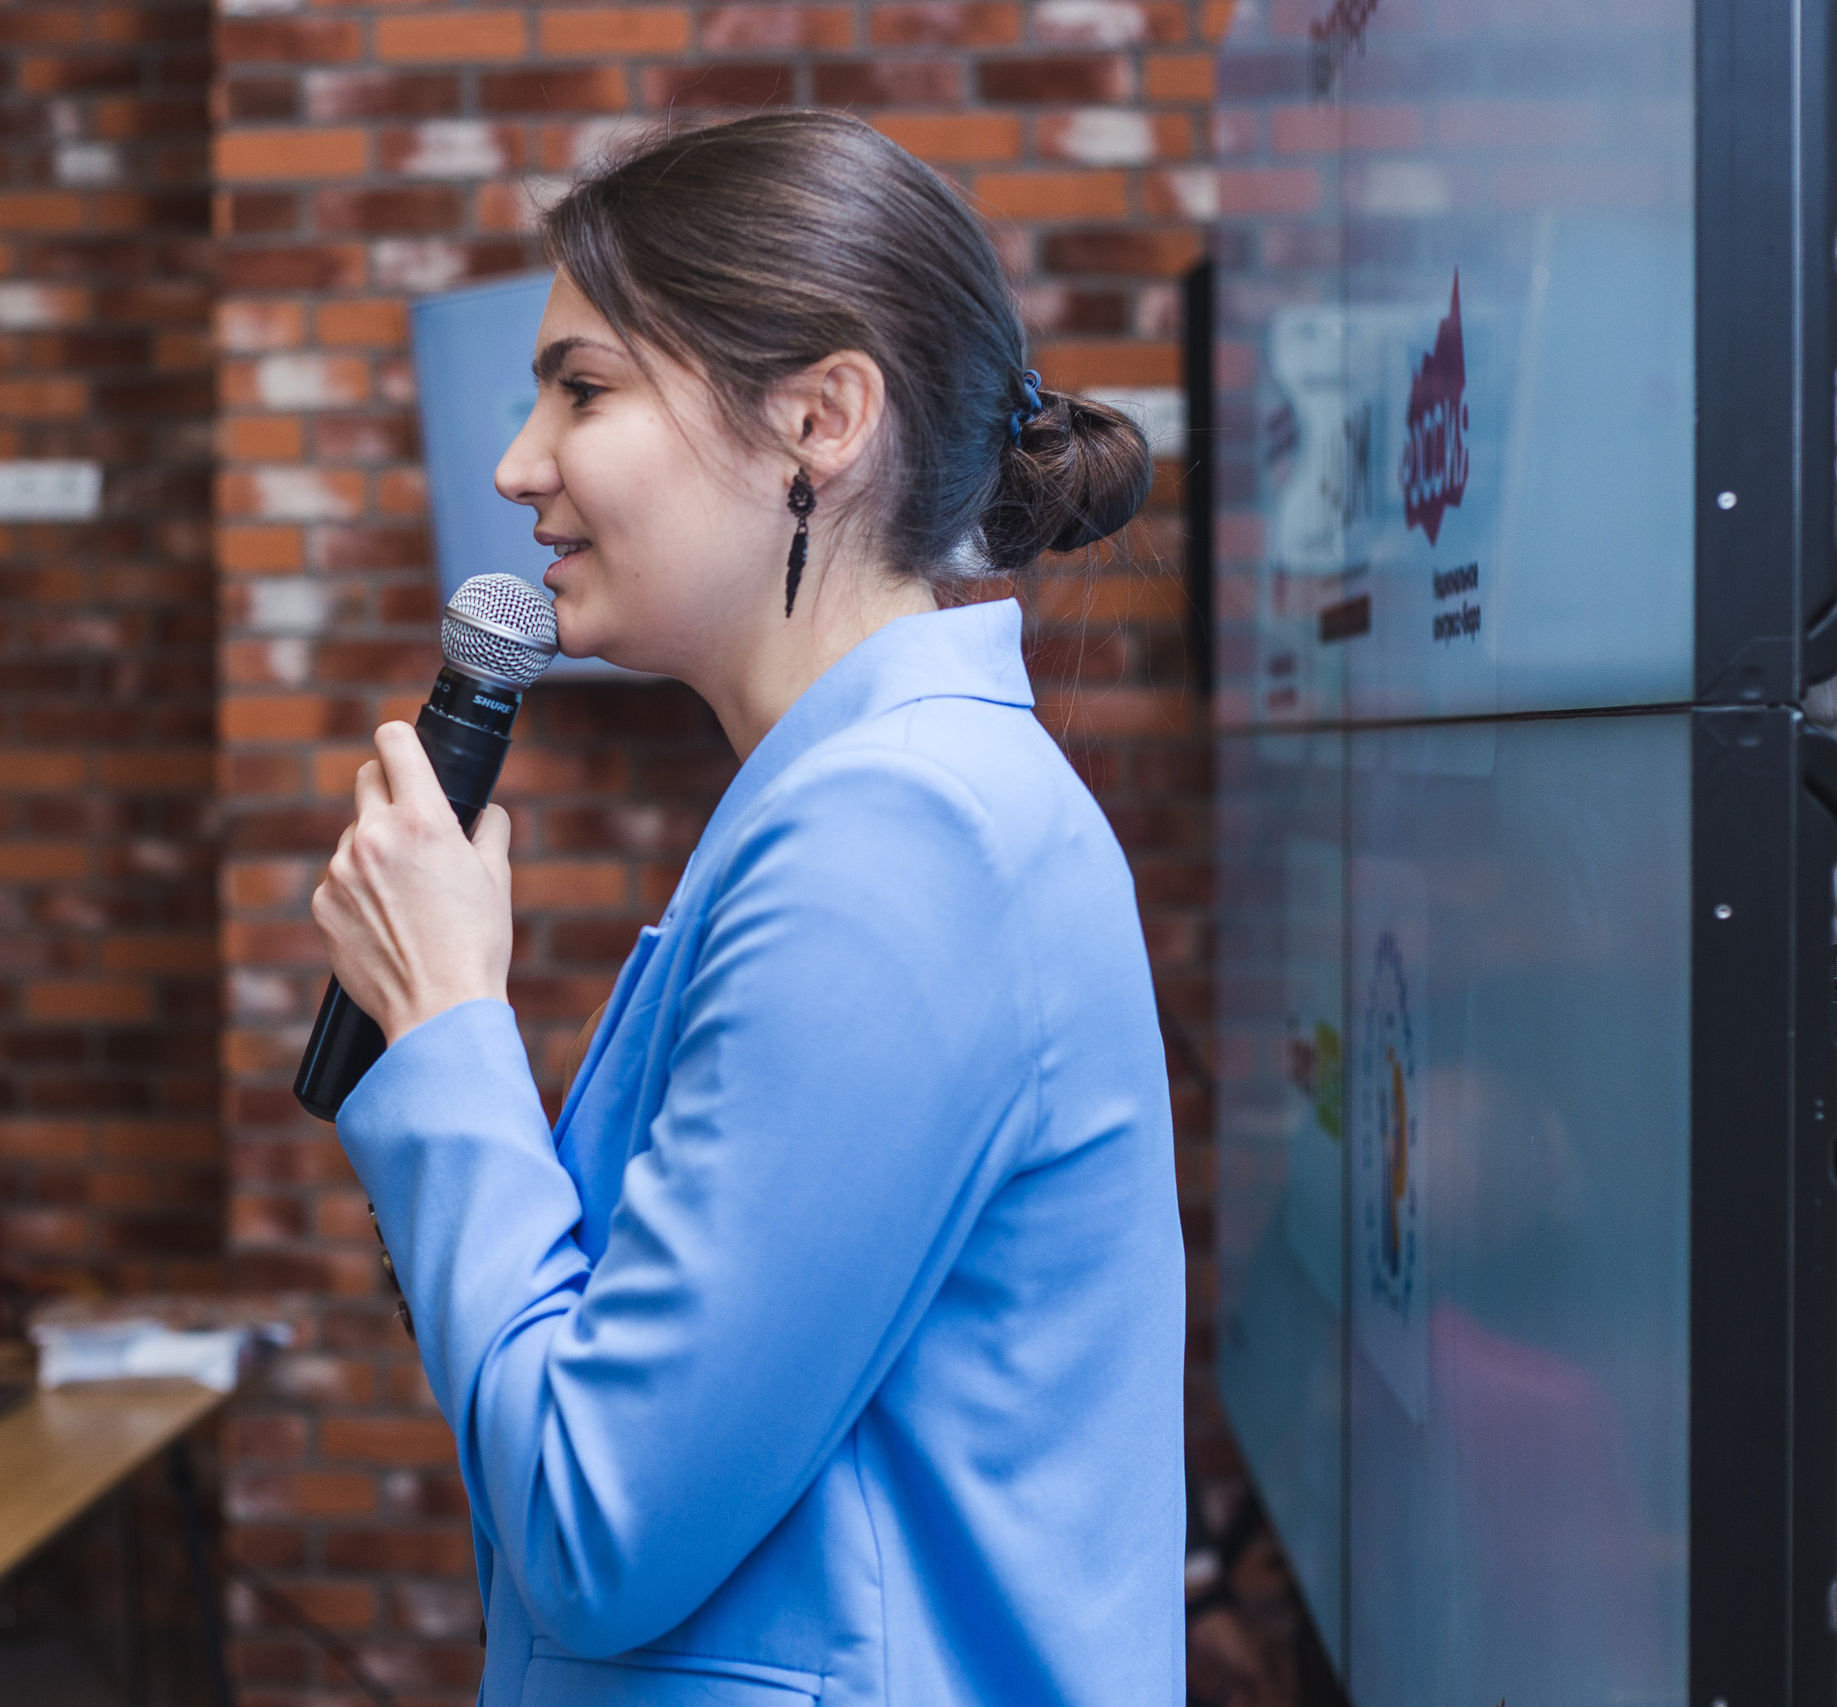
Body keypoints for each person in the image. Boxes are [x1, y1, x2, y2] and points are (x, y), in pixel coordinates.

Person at [312, 109, 1184, 1706]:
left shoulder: (903, 842)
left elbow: (596, 1524)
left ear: (819, 420)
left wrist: (446, 1025)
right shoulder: (843, 804)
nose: (517, 466)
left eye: (582, 388)